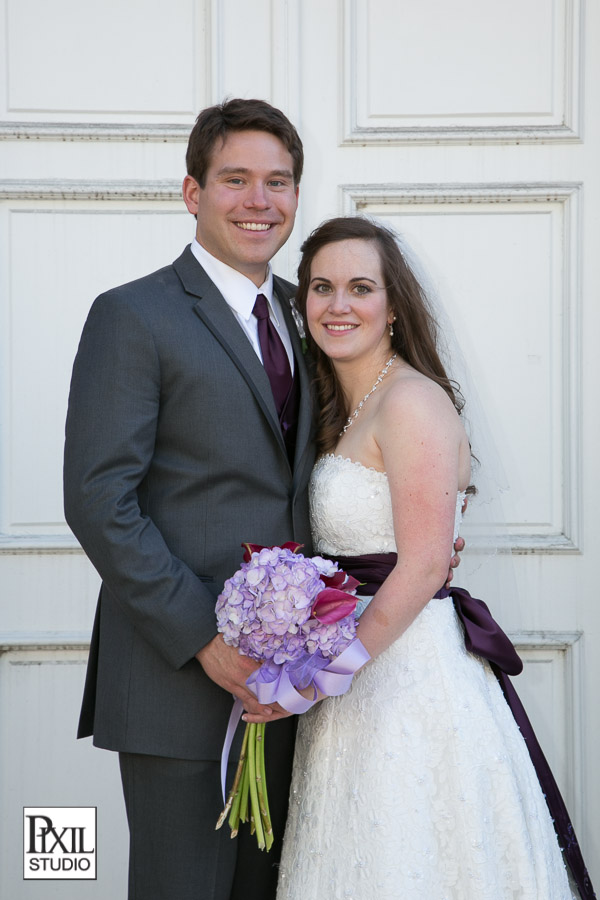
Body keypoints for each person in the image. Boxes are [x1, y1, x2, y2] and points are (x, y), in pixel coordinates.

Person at [64, 101, 463, 900]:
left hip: (295, 696)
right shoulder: (132, 315)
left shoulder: (309, 310)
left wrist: (407, 551)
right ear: (192, 192)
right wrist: (202, 639)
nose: (259, 200)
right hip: (177, 681)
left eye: (278, 181)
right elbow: (98, 499)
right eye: (235, 179)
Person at [275, 217, 594, 899]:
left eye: (361, 287)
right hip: (355, 671)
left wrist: (325, 673)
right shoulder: (339, 406)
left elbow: (421, 566)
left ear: (394, 306)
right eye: (322, 287)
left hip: (404, 677)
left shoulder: (411, 400)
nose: (339, 305)